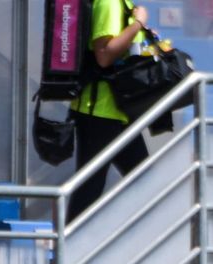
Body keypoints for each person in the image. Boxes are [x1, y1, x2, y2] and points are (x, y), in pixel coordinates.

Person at [69, 1, 150, 220]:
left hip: (120, 113)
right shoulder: (109, 3)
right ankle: (70, 247)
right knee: (90, 188)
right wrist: (138, 24)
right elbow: (104, 55)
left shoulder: (124, 4)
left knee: (146, 180)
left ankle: (140, 242)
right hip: (99, 112)